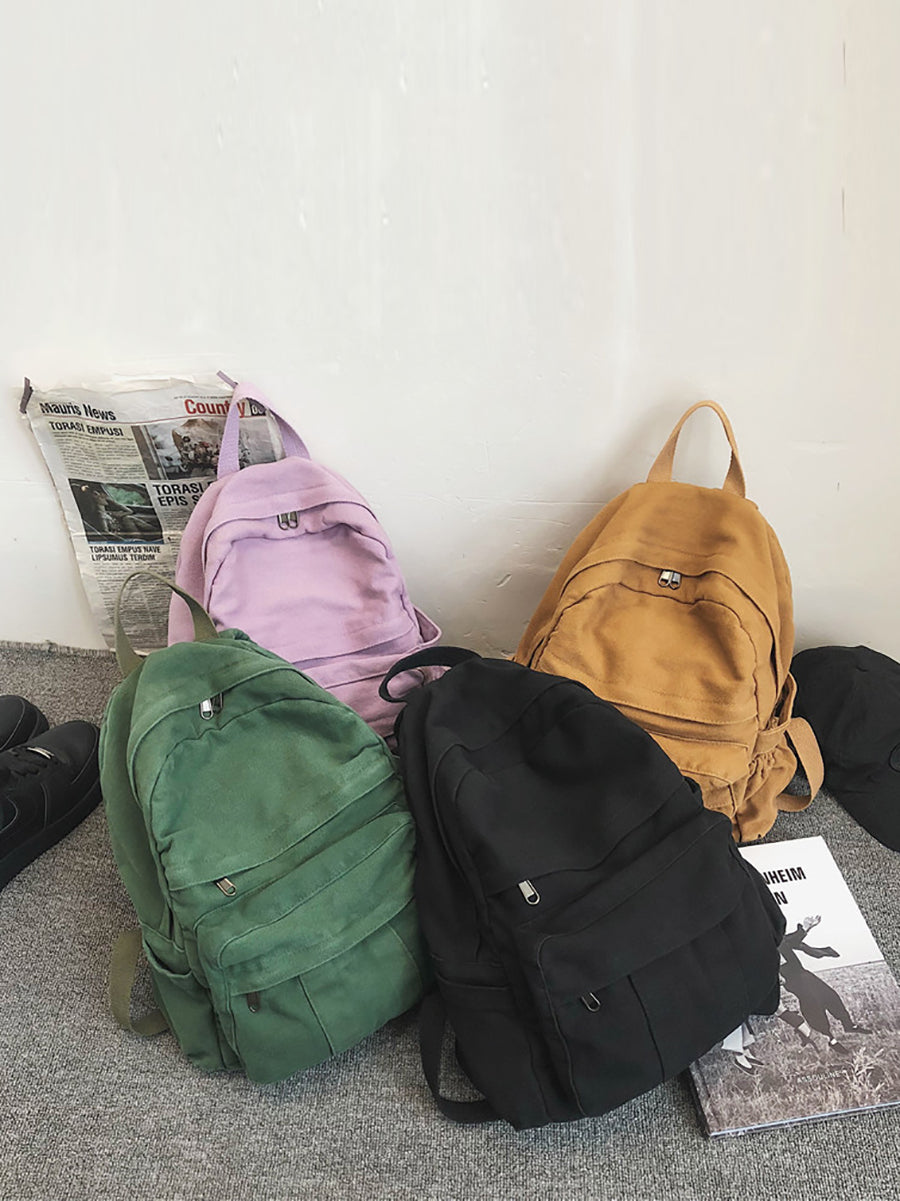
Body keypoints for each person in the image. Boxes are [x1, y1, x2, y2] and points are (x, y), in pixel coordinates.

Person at [777, 915, 871, 1053]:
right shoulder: (758, 947)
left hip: (804, 974)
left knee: (830, 996)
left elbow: (793, 939)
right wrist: (777, 976)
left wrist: (806, 927)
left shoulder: (777, 939)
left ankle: (849, 1025)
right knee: (814, 1006)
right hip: (792, 981)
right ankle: (830, 1040)